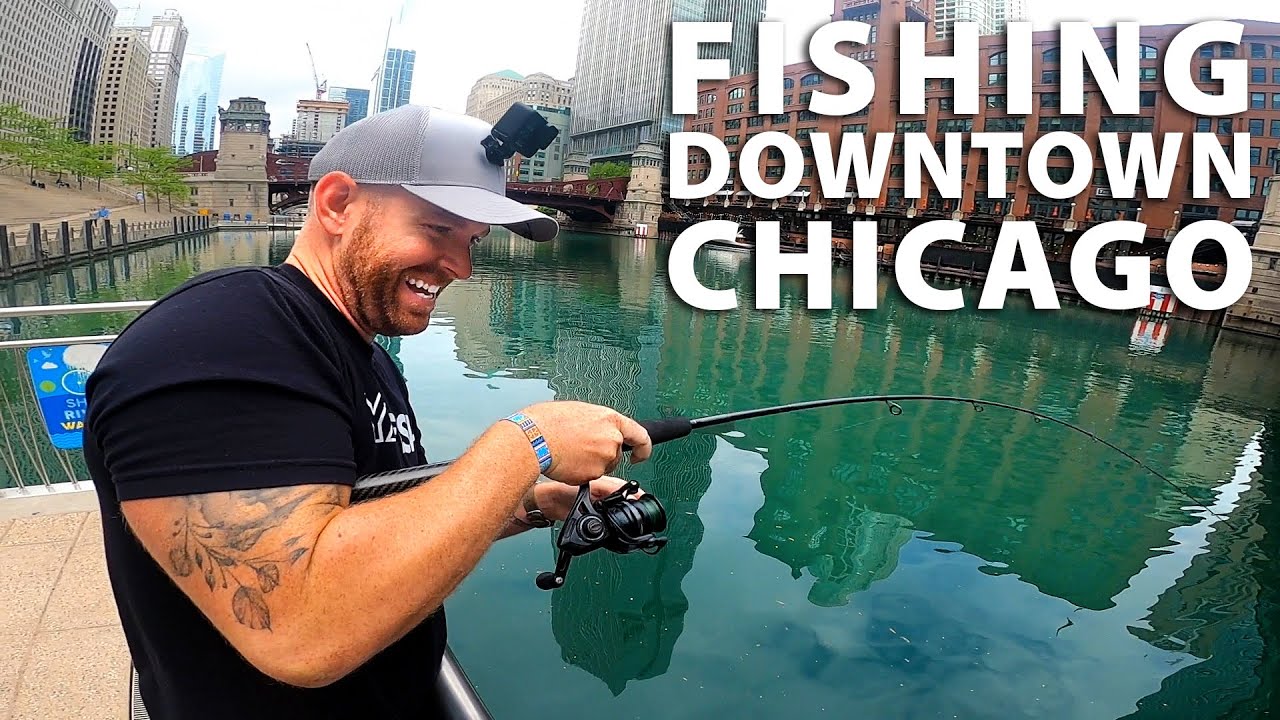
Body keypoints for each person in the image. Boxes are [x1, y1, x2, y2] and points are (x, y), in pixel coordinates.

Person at [84, 104, 654, 719]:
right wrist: (528, 443)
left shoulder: (364, 354)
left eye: (471, 242)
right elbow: (300, 624)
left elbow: (357, 512)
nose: (460, 266)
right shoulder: (218, 339)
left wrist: (529, 500)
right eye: (439, 228)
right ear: (335, 204)